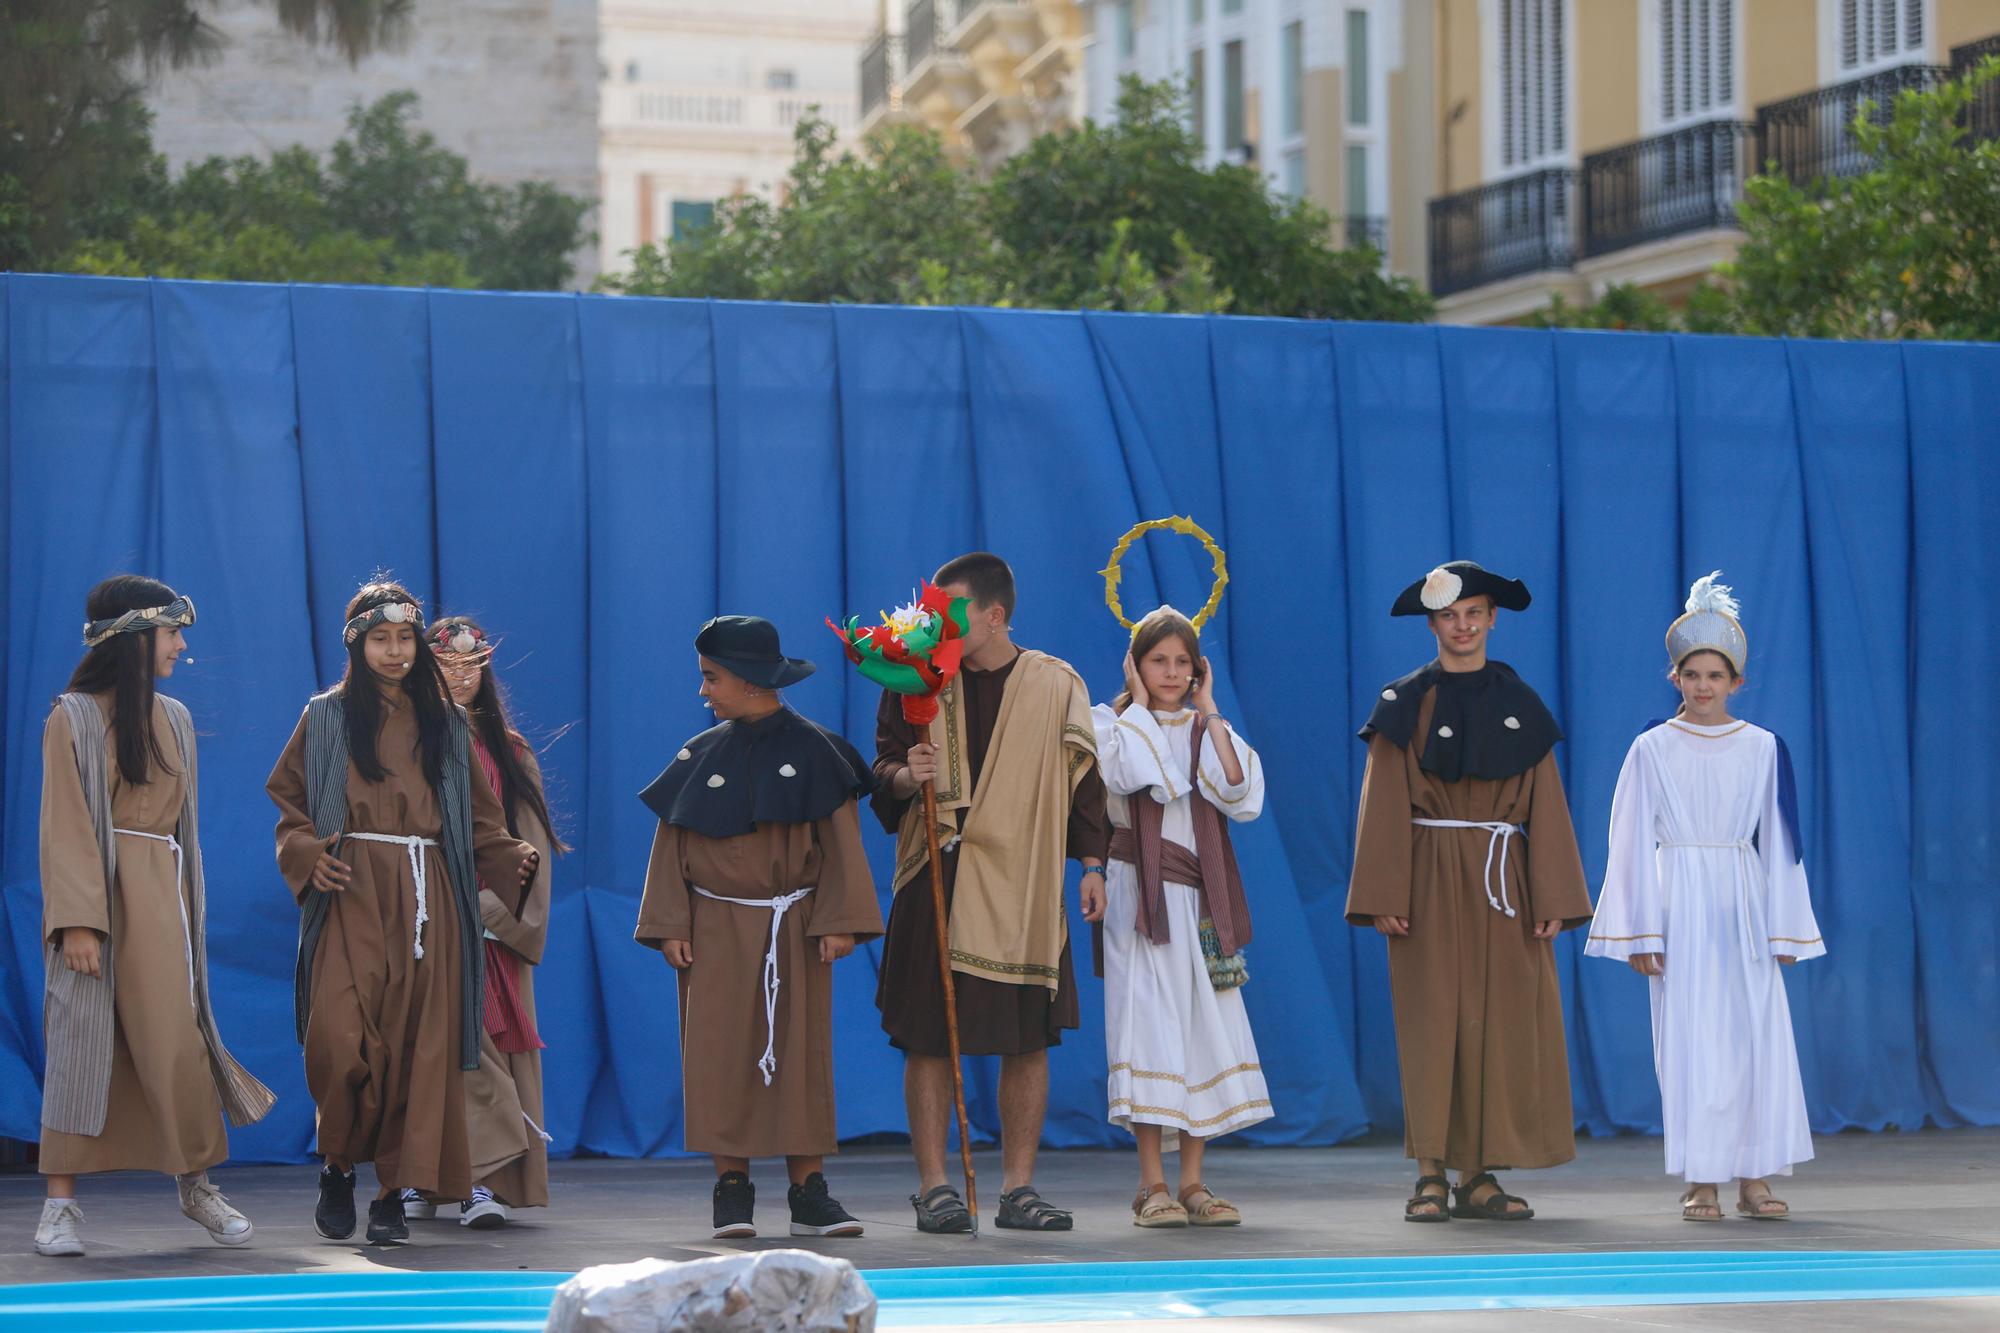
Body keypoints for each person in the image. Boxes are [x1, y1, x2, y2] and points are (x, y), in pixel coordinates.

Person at [268, 581, 539, 1246]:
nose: (394, 651)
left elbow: (478, 816)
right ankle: (337, 1165)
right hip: (352, 890)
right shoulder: (326, 716)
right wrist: (308, 851)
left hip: (429, 899)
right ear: (357, 644)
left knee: (417, 1051)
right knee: (337, 1038)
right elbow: (290, 804)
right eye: (380, 638)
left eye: (405, 638)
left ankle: (390, 1192)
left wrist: (507, 856)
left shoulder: (444, 722)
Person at [35, 576, 275, 1258]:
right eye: (172, 632)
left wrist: (183, 908)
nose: (181, 644)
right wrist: (79, 919)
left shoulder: (173, 719)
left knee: (176, 1041)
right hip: (98, 902)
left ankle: (195, 1182)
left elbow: (182, 827)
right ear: (136, 638)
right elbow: (67, 822)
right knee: (82, 1040)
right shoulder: (72, 716)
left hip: (160, 900)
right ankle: (59, 1206)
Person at [1345, 561, 1592, 1223]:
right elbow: (1386, 802)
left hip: (1501, 879)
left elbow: (1546, 803)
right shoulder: (1402, 704)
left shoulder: (1522, 705)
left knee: (1499, 1024)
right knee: (1433, 1022)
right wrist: (1386, 890)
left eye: (1473, 613)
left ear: (1491, 619)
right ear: (1432, 623)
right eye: (1449, 615)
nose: (1462, 625)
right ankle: (1430, 1170)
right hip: (1427, 874)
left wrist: (1553, 896)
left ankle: (1480, 1172)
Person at [872, 552, 1108, 1234]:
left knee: (1026, 1037)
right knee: (926, 1037)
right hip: (937, 875)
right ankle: (935, 1186)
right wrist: (899, 773)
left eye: (952, 612)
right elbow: (883, 763)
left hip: (1023, 876)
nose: (938, 623)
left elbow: (1083, 781)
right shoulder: (914, 677)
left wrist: (1093, 862)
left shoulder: (1056, 683)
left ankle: (1018, 1187)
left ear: (995, 614)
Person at [635, 616, 883, 1239]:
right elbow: (670, 847)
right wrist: (670, 923)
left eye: (711, 679)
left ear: (747, 680)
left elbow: (841, 844)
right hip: (715, 926)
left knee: (799, 1054)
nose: (703, 692)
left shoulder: (818, 752)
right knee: (719, 1054)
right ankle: (732, 1188)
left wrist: (840, 919)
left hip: (792, 925)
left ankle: (809, 1192)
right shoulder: (698, 757)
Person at [1586, 573, 1823, 1222]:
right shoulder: (1651, 748)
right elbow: (1629, 841)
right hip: (1681, 903)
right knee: (1692, 1042)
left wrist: (1787, 928)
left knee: (1755, 1038)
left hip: (1744, 906)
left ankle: (1755, 1175)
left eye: (1715, 674)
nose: (1703, 685)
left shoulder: (1763, 748)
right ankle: (1702, 1178)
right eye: (1692, 673)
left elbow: (1780, 841)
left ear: (1736, 682)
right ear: (1676, 679)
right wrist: (1639, 930)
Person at [1093, 606, 1270, 1228]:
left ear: (1197, 668)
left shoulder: (1206, 729)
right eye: (1156, 660)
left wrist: (1211, 708)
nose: (1170, 672)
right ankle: (1151, 1183)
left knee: (1200, 1024)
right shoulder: (1114, 726)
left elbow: (1237, 791)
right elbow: (1150, 779)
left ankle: (1193, 1181)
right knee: (1148, 1027)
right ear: (1136, 665)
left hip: (1198, 897)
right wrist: (1140, 703)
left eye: (1180, 662)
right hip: (1139, 894)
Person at [391, 615, 565, 1229]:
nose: (461, 677)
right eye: (447, 666)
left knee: (485, 1046)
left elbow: (530, 845)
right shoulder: (403, 743)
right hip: (421, 918)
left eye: (473, 666)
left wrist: (494, 915)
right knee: (425, 1050)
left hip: (489, 924)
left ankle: (481, 1182)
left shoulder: (510, 753)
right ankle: (425, 1177)